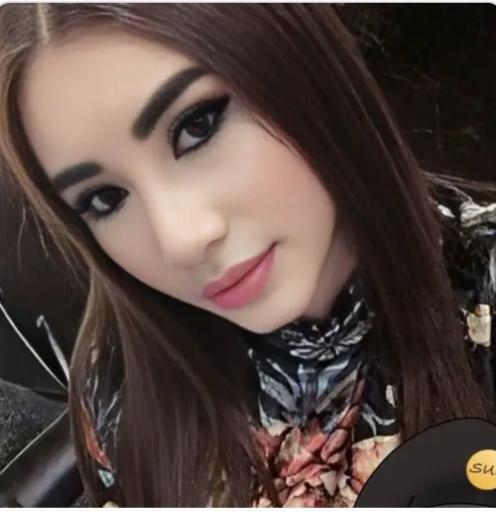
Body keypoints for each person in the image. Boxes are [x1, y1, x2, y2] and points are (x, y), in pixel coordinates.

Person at [0, 3, 495, 507]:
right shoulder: (119, 378)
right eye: (105, 199)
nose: (180, 240)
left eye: (197, 126)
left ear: (301, 62)